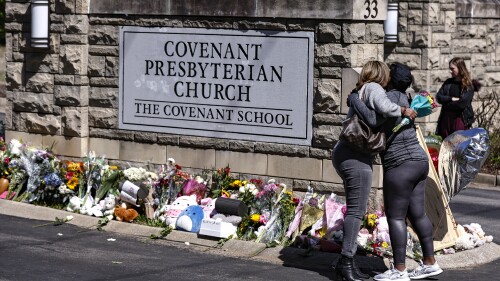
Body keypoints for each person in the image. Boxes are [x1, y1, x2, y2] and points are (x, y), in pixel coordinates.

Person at [348, 62, 443, 281]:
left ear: (389, 79)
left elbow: (373, 120)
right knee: (417, 213)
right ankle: (430, 261)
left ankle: (399, 270)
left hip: (400, 163)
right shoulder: (408, 98)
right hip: (419, 160)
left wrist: (354, 99)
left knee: (396, 217)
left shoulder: (389, 98)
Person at [332, 61, 417, 281]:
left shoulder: (363, 90)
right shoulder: (374, 88)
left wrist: (354, 101)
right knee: (356, 212)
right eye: (387, 73)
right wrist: (402, 110)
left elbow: (372, 118)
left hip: (348, 154)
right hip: (355, 157)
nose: (389, 77)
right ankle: (346, 262)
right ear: (381, 74)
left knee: (355, 210)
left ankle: (346, 260)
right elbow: (380, 112)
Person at [435, 57, 475, 139]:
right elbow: (438, 97)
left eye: (452, 69)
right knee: (446, 145)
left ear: (460, 68)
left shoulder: (467, 85)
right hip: (446, 119)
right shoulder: (448, 82)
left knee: (459, 145)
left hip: (460, 119)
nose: (450, 71)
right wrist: (451, 99)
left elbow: (462, 104)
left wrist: (446, 103)